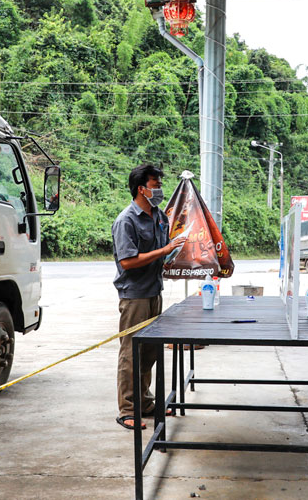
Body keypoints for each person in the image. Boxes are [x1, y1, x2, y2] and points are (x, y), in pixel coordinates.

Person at [112, 164, 186, 430]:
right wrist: (165, 249)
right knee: (131, 352)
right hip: (135, 296)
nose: (159, 191)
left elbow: (161, 253)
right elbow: (128, 261)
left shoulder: (159, 217)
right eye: (155, 186)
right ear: (141, 189)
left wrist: (170, 255)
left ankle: (145, 401)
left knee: (150, 351)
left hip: (155, 291)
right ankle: (128, 409)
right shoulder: (126, 221)